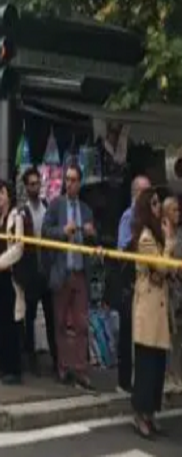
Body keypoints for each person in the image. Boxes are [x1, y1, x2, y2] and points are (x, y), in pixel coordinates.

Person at [41, 163, 98, 391]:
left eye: (74, 180)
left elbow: (94, 239)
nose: (70, 183)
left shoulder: (86, 209)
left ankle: (81, 369)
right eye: (67, 179)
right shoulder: (56, 205)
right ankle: (63, 367)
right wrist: (63, 231)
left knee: (81, 322)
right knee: (61, 322)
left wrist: (92, 234)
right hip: (62, 271)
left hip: (80, 271)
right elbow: (45, 232)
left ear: (80, 183)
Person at [130, 188, 177, 439]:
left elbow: (167, 271)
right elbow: (160, 266)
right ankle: (140, 413)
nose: (159, 208)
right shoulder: (146, 237)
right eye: (155, 203)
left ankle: (151, 413)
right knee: (147, 363)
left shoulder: (157, 236)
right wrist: (169, 244)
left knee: (158, 365)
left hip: (159, 307)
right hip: (148, 308)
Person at [112, 175, 151, 393]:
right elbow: (122, 250)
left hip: (146, 283)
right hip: (130, 282)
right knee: (127, 332)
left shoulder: (149, 217)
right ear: (136, 193)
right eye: (145, 192)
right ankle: (124, 380)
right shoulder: (129, 217)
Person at [0, 180, 26, 384]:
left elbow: (18, 248)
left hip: (9, 275)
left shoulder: (15, 217)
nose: (0, 197)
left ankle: (14, 369)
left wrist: (0, 263)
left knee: (11, 322)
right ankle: (2, 365)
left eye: (3, 193)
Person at [21, 167, 57, 376]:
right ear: (26, 187)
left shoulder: (46, 206)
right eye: (32, 184)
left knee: (51, 316)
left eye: (38, 183)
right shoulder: (24, 211)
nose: (36, 187)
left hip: (46, 270)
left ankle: (55, 358)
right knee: (30, 316)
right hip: (32, 271)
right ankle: (31, 358)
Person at [162, 196, 182, 386]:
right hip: (168, 290)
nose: (178, 213)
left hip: (180, 289)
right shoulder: (163, 235)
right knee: (169, 334)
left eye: (178, 210)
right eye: (174, 210)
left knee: (179, 337)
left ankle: (178, 373)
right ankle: (169, 374)